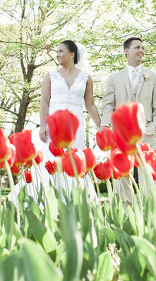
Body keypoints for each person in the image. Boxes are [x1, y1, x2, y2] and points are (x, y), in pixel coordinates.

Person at [30, 40, 101, 198]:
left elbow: (90, 105)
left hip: (76, 125)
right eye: (57, 51)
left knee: (74, 160)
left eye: (61, 51)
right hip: (54, 124)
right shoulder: (50, 76)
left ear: (71, 55)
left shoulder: (86, 78)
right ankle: (49, 200)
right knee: (52, 160)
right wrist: (42, 125)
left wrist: (101, 127)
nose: (57, 54)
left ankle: (75, 200)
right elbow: (44, 102)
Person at [100, 37, 156, 203]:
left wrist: (155, 127)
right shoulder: (114, 78)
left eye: (143, 48)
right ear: (126, 51)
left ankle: (151, 214)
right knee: (121, 176)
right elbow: (108, 105)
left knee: (148, 175)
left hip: (147, 132)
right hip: (120, 134)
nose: (141, 50)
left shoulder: (154, 77)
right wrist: (105, 126)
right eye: (137, 47)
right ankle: (125, 215)